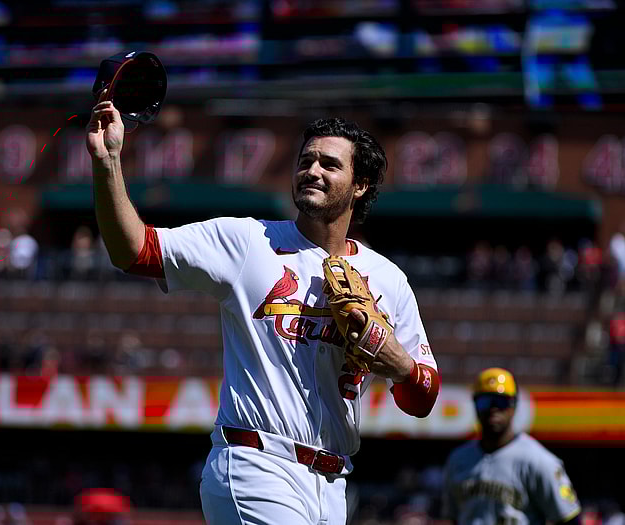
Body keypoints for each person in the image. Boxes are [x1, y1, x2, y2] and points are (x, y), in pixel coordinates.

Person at [87, 94, 440, 524]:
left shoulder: (388, 279)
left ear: (360, 185)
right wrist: (108, 163)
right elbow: (135, 251)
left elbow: (423, 398)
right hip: (256, 462)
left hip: (332, 484)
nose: (311, 170)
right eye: (305, 160)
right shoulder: (247, 242)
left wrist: (398, 363)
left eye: (329, 164)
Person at [442, 368, 581, 525]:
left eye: (500, 401)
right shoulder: (458, 459)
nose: (492, 409)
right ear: (475, 405)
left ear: (513, 405)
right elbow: (451, 517)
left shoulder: (540, 460)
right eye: (485, 402)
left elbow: (569, 518)